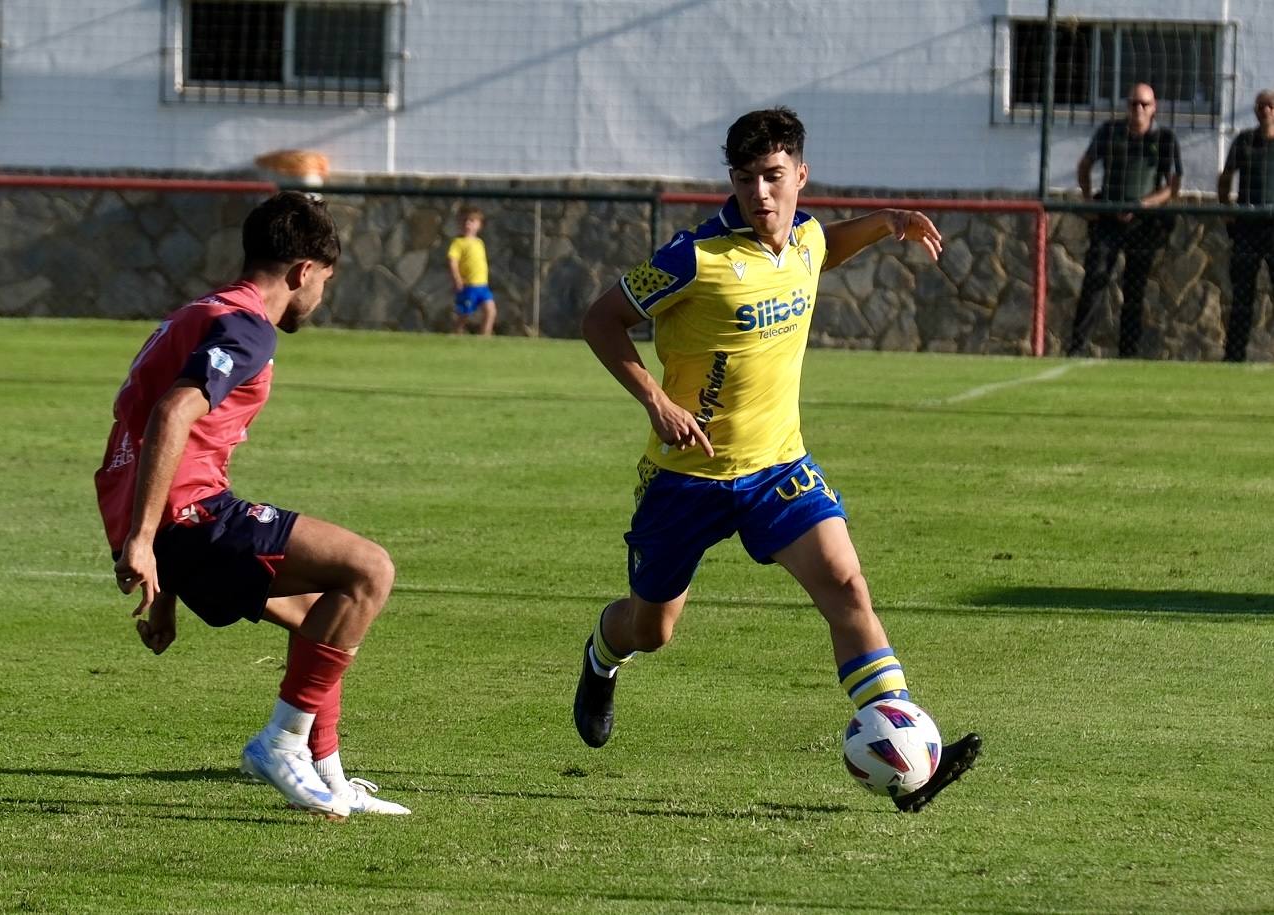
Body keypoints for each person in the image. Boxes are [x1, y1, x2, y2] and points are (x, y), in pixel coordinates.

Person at [570, 107, 981, 813]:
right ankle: (600, 657)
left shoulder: (804, 238)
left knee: (847, 587)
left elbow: (821, 247)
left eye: (771, 176)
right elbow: (598, 319)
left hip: (776, 469)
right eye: (743, 177)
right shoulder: (691, 255)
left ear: (798, 174)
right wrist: (654, 402)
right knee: (651, 628)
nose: (758, 192)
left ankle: (906, 752)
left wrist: (885, 222)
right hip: (685, 478)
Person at [94, 191, 410, 820]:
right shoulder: (246, 327)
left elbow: (138, 435)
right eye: (324, 281)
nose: (320, 298)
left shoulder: (201, 312)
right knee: (369, 569)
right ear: (303, 272)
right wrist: (146, 543)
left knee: (327, 611)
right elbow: (173, 411)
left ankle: (327, 770)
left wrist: (159, 573)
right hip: (188, 516)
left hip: (160, 522)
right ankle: (281, 743)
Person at [1066, 83, 1183, 358]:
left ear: (1154, 108)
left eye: (1144, 104)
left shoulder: (1164, 139)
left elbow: (1172, 186)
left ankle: (1128, 352)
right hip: (1108, 219)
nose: (1138, 110)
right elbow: (1084, 166)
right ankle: (1077, 347)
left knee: (1135, 288)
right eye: (1134, 104)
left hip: (1143, 224)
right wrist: (1089, 200)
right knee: (1095, 280)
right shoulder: (1110, 132)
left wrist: (1143, 205)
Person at [1217, 89, 1274, 362]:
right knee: (1242, 295)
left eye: (1271, 106)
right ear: (1255, 111)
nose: (1266, 111)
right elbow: (1226, 176)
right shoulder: (1244, 141)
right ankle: (1234, 355)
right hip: (1248, 229)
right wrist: (1226, 208)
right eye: (1261, 106)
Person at [447, 205, 498, 335]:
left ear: (479, 225)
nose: (467, 224)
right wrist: (457, 279)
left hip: (482, 286)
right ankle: (456, 333)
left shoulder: (479, 242)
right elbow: (453, 261)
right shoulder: (458, 243)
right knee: (464, 314)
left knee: (490, 311)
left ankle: (485, 337)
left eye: (471, 221)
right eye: (464, 221)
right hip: (468, 286)